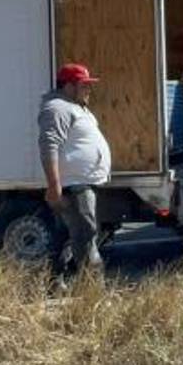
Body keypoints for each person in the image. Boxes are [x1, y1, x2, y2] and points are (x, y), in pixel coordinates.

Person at [38, 63, 111, 279]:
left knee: (68, 239)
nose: (89, 89)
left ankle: (54, 285)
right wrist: (54, 185)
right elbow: (48, 144)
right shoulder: (58, 107)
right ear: (69, 86)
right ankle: (93, 291)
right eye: (84, 85)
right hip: (75, 185)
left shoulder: (75, 106)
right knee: (85, 236)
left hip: (81, 183)